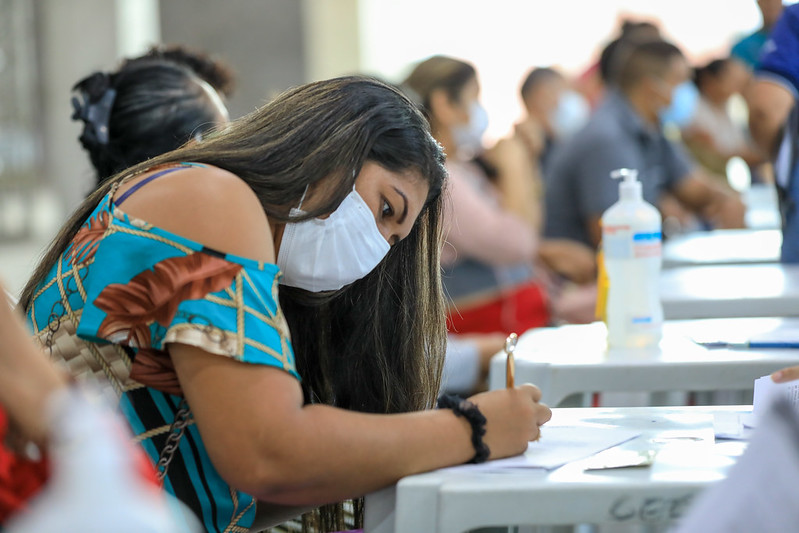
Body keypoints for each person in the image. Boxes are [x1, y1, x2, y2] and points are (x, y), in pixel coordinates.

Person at [15, 76, 551, 533]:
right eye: (386, 208)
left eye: (392, 242)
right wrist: (469, 429)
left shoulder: (226, 225)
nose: (374, 249)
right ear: (329, 147)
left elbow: (243, 490)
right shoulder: (215, 199)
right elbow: (265, 454)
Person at [401, 56, 597, 339]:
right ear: (444, 104)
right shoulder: (441, 182)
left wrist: (523, 165)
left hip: (517, 315)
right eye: (474, 98)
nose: (480, 111)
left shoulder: (464, 170)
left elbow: (527, 231)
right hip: (487, 329)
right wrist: (515, 165)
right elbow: (518, 243)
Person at [544, 40, 746, 249]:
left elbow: (691, 185)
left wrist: (727, 199)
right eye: (680, 81)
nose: (687, 91)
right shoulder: (607, 138)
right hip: (590, 274)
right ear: (652, 87)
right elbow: (614, 239)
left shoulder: (651, 128)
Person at [71, 44, 232, 189]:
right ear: (190, 151)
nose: (233, 152)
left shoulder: (99, 218)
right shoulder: (220, 214)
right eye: (222, 140)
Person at [681, 57, 764, 185]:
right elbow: (721, 155)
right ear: (710, 81)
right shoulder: (694, 112)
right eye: (733, 80)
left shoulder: (728, 106)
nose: (739, 86)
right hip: (715, 181)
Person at [518, 67, 590, 171]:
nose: (566, 101)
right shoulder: (530, 149)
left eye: (568, 91)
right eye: (555, 92)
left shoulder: (565, 144)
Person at [730, 0, 785, 70]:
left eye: (775, 1)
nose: (771, 5)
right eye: (767, 1)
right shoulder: (741, 47)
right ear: (759, 3)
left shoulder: (793, 38)